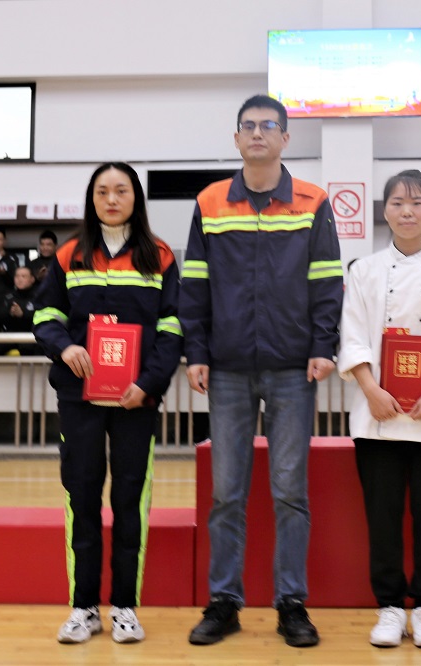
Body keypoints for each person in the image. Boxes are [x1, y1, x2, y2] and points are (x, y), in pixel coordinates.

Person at [180, 94, 343, 648]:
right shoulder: (209, 202)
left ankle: (291, 603)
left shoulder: (312, 201)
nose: (257, 134)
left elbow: (327, 280)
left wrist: (323, 345)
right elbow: (194, 284)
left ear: (284, 138)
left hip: (294, 368)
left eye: (267, 126)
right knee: (226, 493)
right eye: (247, 126)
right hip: (226, 369)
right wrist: (197, 351)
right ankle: (224, 602)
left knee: (290, 491)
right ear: (236, 138)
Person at [34, 162, 183, 645]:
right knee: (81, 496)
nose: (112, 199)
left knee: (129, 500)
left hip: (136, 400)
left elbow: (172, 327)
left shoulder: (159, 256)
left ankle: (124, 607)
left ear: (135, 198)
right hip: (79, 397)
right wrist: (64, 347)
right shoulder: (70, 254)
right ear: (91, 199)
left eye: (121, 190)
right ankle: (83, 607)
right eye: (102, 191)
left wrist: (149, 383)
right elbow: (45, 314)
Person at [337, 170, 421, 649]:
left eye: (416, 203)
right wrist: (370, 389)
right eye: (397, 203)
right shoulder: (365, 270)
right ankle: (391, 606)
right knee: (383, 516)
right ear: (385, 211)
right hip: (376, 413)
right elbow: (352, 335)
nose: (407, 211)